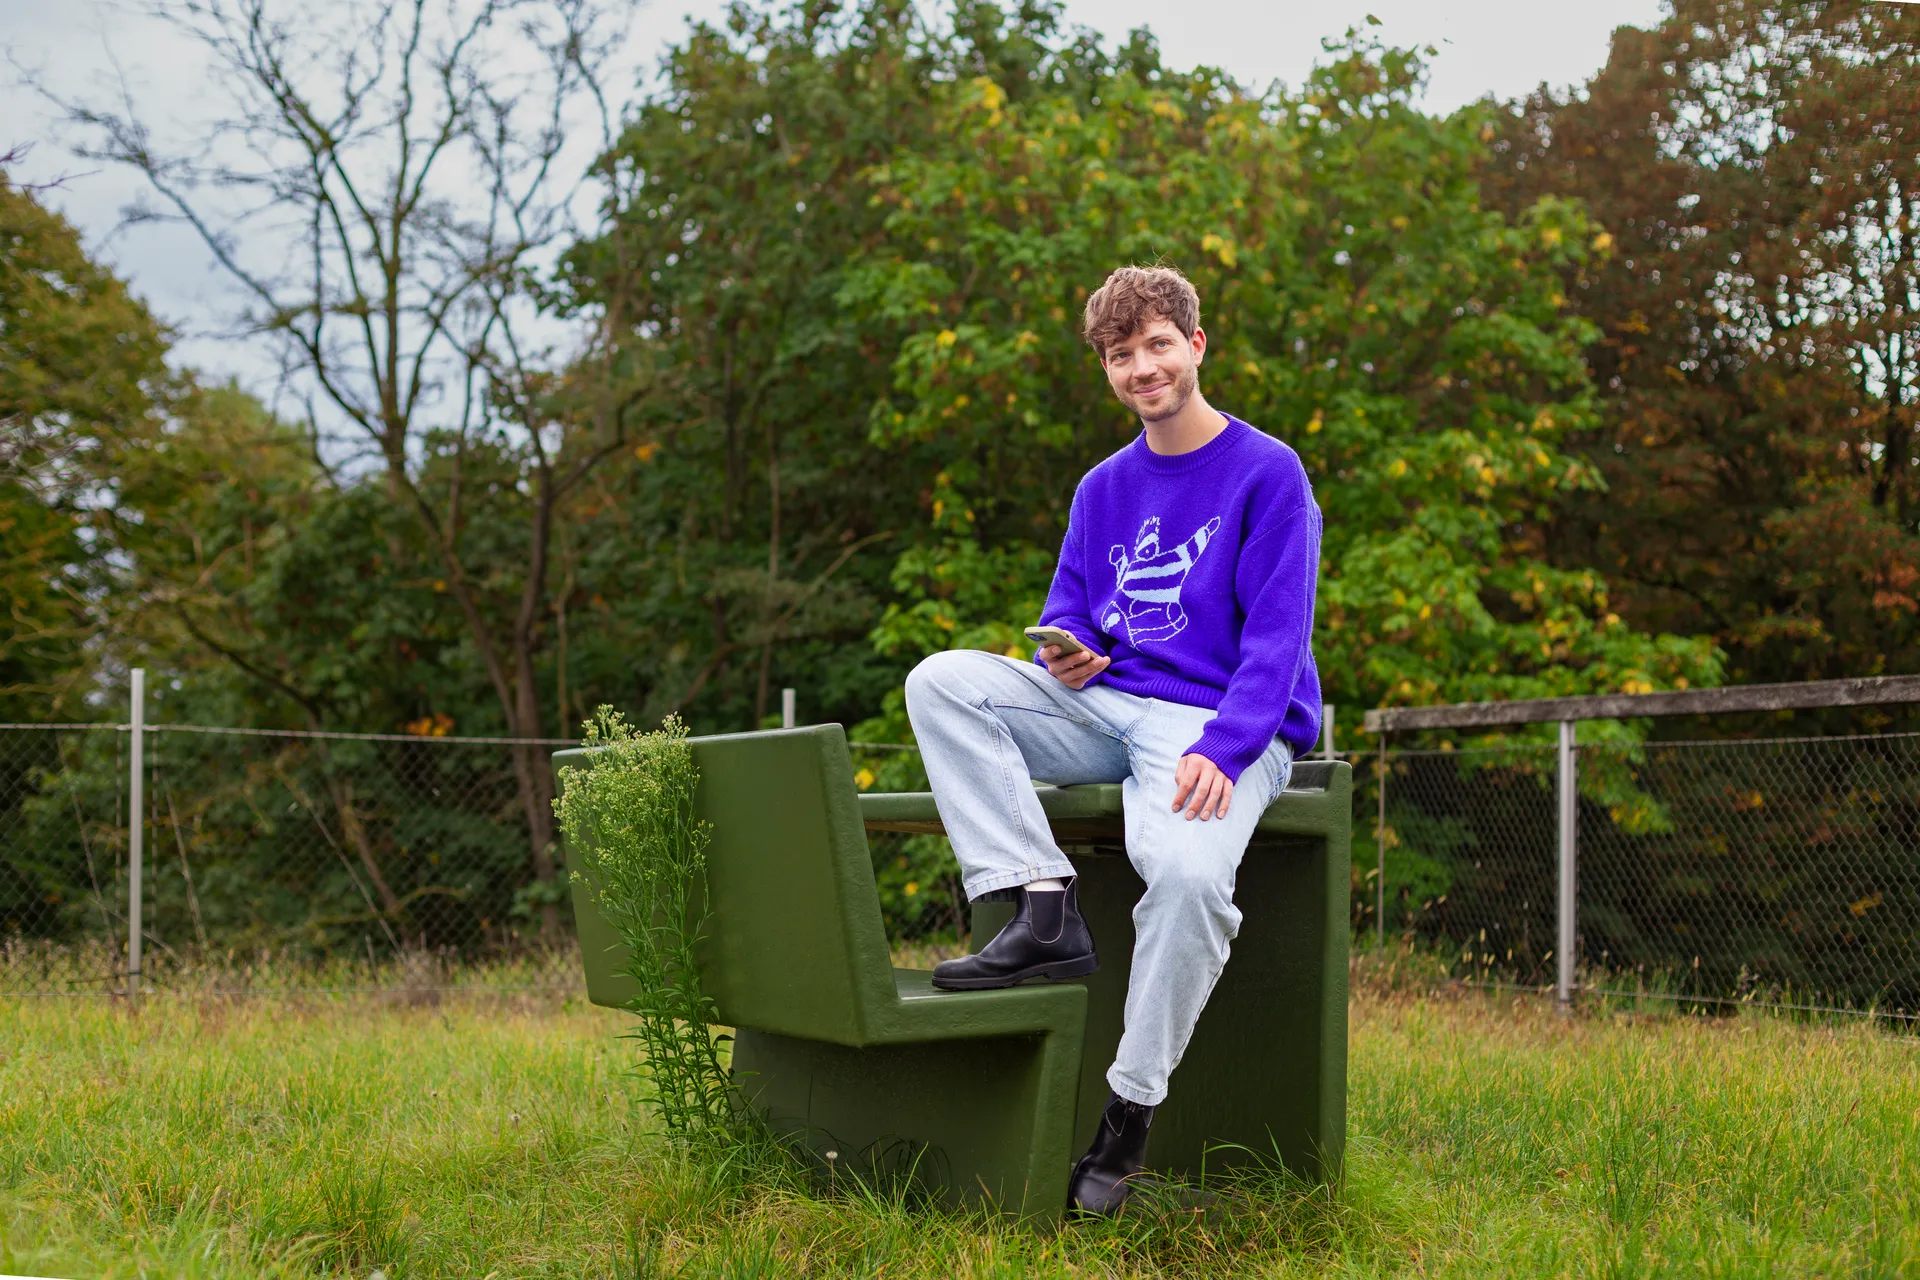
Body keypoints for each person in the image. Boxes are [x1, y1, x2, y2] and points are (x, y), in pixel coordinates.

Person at [903, 264, 1323, 1216]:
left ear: (1196, 346)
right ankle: (1043, 905)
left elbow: (1277, 634)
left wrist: (1229, 747)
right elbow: (1070, 610)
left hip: (1213, 725)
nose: (1142, 367)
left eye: (1157, 345)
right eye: (1120, 353)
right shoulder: (1102, 487)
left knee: (1184, 882)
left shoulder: (1268, 472)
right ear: (1106, 366)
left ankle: (1127, 1118)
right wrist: (1072, 651)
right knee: (942, 682)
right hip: (1106, 709)